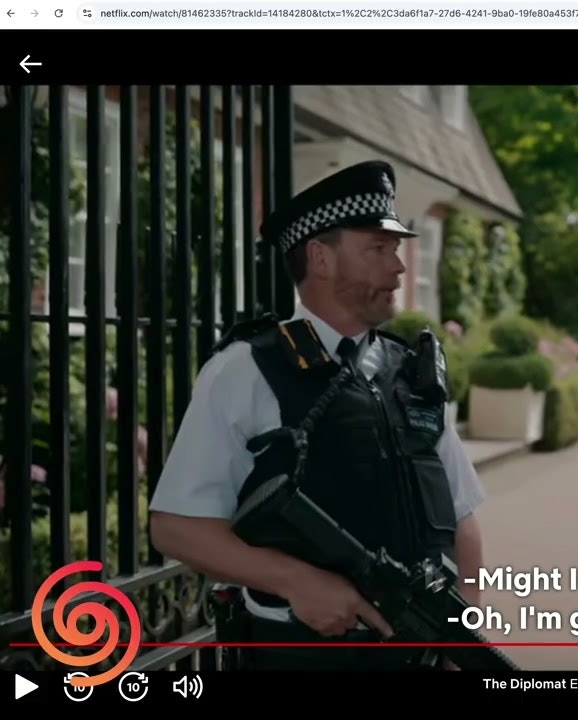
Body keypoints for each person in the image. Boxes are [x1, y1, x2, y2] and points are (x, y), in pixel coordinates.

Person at [149, 160, 487, 670]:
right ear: (320, 258)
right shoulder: (247, 371)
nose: (398, 267)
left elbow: (463, 519)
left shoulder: (411, 373)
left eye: (395, 249)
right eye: (378, 249)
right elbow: (176, 526)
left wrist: (464, 638)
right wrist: (296, 581)